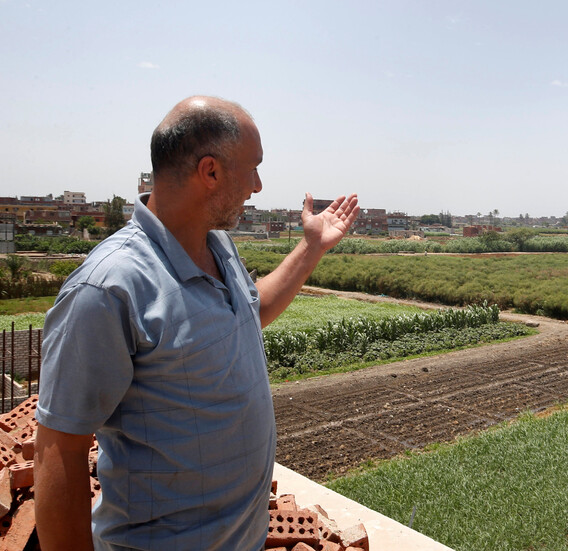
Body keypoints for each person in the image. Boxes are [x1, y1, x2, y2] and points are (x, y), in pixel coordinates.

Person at [33, 96, 359, 550]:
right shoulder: (109, 288)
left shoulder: (218, 247)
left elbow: (251, 312)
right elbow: (60, 451)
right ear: (210, 172)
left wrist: (312, 248)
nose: (258, 186)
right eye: (253, 168)